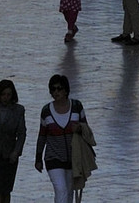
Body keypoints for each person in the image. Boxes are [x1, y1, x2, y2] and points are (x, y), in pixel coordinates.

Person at [35, 75, 93, 203]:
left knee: (69, 193)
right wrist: (38, 158)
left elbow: (86, 129)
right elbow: (42, 135)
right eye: (53, 89)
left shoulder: (77, 106)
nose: (56, 92)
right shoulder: (46, 111)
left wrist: (79, 129)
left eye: (59, 89)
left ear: (66, 90)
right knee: (61, 190)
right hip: (53, 158)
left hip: (74, 159)